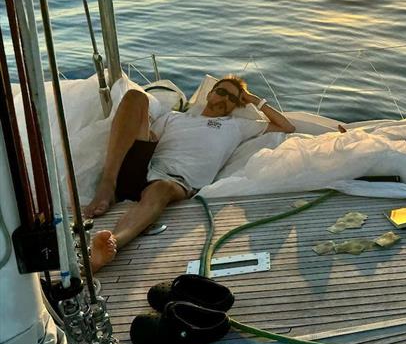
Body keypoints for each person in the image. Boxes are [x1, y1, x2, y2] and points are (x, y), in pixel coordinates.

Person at [83, 76, 295, 272]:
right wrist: (144, 127)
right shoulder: (174, 118)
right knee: (135, 96)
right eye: (221, 91)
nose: (225, 98)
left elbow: (286, 126)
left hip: (176, 181)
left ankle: (112, 243)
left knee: (160, 189)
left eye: (233, 98)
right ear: (209, 94)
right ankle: (107, 184)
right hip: (145, 168)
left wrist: (252, 99)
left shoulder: (238, 126)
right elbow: (148, 136)